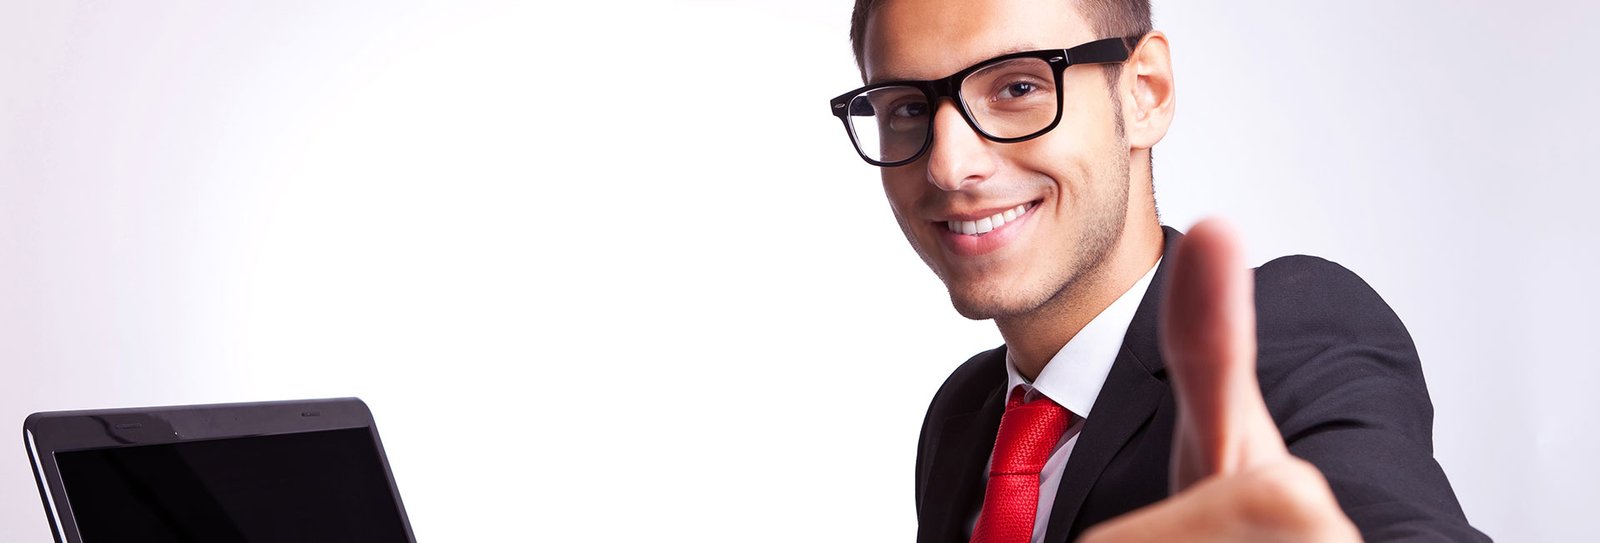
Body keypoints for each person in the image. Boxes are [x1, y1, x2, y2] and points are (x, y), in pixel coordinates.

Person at [826, 1, 1491, 541]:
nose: (949, 165)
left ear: (1145, 91)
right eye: (908, 108)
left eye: (1018, 87)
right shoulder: (963, 415)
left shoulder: (1285, 332)